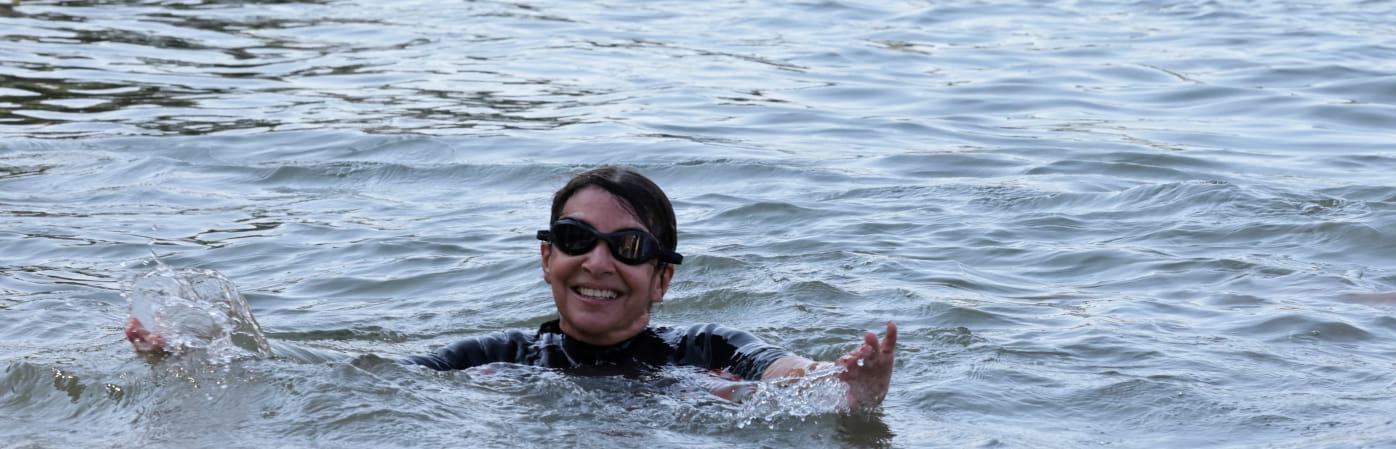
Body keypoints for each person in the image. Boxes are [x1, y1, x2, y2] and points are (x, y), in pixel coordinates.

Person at [127, 167, 899, 413]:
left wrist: (849, 387)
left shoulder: (710, 350)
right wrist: (209, 356)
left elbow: (788, 377)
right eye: (573, 240)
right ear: (545, 258)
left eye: (626, 248)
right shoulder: (505, 355)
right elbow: (357, 376)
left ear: (662, 278)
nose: (596, 261)